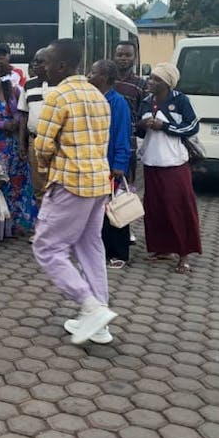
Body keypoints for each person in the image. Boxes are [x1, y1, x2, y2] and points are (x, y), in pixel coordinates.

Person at [32, 38, 117, 345]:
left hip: (70, 182)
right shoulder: (98, 96)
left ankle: (90, 305)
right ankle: (100, 320)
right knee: (90, 247)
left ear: (62, 66)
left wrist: (44, 170)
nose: (44, 67)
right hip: (98, 182)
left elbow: (42, 146)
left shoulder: (58, 96)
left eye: (47, 62)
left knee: (47, 247)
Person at [136, 63, 202, 274]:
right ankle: (162, 248)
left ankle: (183, 255)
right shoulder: (146, 101)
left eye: (156, 79)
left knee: (178, 208)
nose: (150, 81)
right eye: (151, 78)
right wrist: (142, 125)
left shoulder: (180, 100)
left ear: (167, 83)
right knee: (155, 208)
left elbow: (192, 126)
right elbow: (139, 130)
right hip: (151, 161)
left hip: (174, 163)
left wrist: (165, 126)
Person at [0, 60, 37, 235]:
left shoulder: (13, 92)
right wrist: (1, 125)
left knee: (18, 183)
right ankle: (0, 226)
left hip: (13, 146)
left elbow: (22, 116)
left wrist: (21, 142)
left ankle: (18, 224)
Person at [89, 59, 132, 268]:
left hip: (110, 164)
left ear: (104, 78)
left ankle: (120, 254)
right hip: (93, 163)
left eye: (93, 72)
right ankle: (101, 250)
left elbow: (122, 135)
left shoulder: (118, 102)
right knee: (97, 210)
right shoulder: (92, 99)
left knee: (114, 208)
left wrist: (119, 165)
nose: (89, 75)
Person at [18, 48, 50, 213]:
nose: (36, 65)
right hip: (34, 141)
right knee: (39, 188)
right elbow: (23, 115)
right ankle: (42, 229)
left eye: (41, 61)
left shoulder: (61, 85)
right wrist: (22, 143)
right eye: (34, 61)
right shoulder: (28, 85)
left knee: (57, 188)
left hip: (57, 143)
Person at [114, 41, 146, 184]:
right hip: (104, 140)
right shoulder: (105, 79)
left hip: (128, 144)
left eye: (128, 55)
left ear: (135, 58)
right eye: (119, 54)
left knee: (125, 190)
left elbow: (144, 114)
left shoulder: (141, 84)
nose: (123, 58)